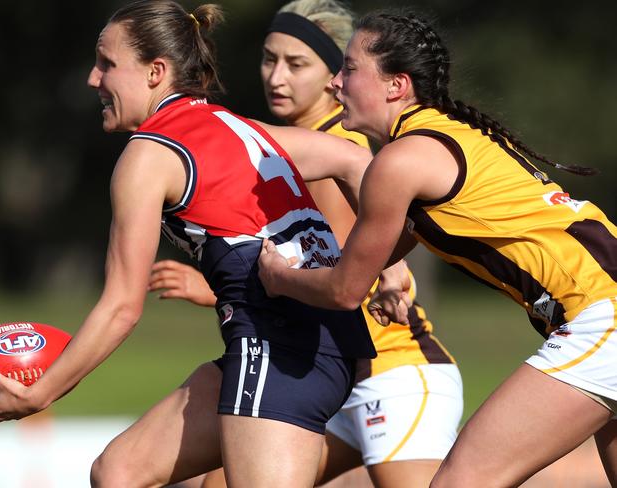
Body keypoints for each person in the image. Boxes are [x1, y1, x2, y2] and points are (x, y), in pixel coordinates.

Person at [0, 2, 389, 487]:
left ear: (156, 72)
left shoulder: (149, 155)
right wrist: (387, 262)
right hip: (312, 346)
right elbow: (356, 163)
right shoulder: (231, 126)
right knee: (118, 472)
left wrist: (38, 395)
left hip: (279, 350)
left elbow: (122, 308)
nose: (93, 79)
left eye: (107, 63)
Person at [258, 7, 617, 487]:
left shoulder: (402, 159)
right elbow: (408, 234)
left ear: (395, 86)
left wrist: (277, 277)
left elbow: (345, 291)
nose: (336, 83)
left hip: (604, 318)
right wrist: (383, 269)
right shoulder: (449, 135)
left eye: (349, 69)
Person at [149, 2, 463, 488]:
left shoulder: (340, 150)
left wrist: (214, 287)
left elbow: (341, 276)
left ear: (338, 74)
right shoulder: (287, 144)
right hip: (331, 372)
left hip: (392, 371)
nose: (277, 77)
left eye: (297, 64)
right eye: (269, 59)